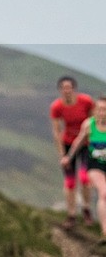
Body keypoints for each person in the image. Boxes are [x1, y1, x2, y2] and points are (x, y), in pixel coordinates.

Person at [51, 75, 94, 230]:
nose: (67, 91)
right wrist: (62, 155)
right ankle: (71, 215)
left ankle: (86, 208)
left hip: (85, 144)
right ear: (60, 90)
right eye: (64, 88)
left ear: (74, 89)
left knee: (85, 178)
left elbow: (93, 122)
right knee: (70, 182)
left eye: (69, 88)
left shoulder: (86, 102)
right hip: (68, 144)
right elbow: (57, 131)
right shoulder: (57, 107)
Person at [63, 96, 106, 243]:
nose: (102, 113)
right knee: (104, 192)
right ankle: (105, 231)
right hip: (95, 165)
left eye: (105, 110)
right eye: (99, 109)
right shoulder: (89, 125)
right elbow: (78, 142)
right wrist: (68, 157)